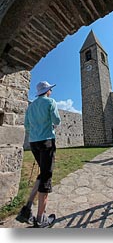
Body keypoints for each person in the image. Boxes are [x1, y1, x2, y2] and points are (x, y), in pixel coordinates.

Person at [16, 81, 61, 228]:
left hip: (34, 143)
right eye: (50, 90)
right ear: (47, 91)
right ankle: (41, 219)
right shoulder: (51, 102)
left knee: (42, 174)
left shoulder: (31, 106)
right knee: (46, 178)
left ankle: (27, 209)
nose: (51, 92)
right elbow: (57, 121)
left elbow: (27, 126)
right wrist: (50, 125)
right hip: (47, 141)